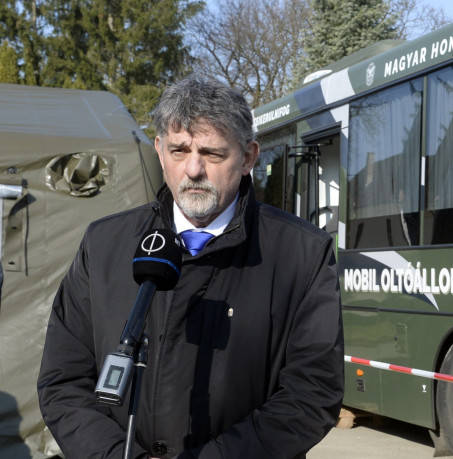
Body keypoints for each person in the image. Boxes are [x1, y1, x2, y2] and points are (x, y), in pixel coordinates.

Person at [37, 75, 344, 459]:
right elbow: (62, 380)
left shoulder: (302, 254)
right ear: (160, 151)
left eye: (213, 154)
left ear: (248, 157)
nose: (193, 169)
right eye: (179, 150)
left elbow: (312, 393)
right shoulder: (103, 245)